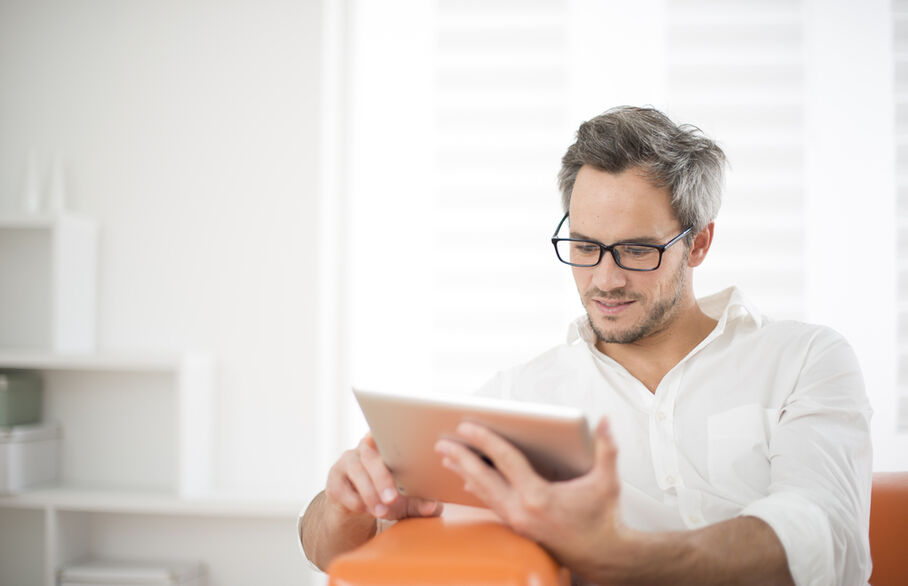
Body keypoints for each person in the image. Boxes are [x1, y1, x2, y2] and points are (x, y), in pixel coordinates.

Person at [299, 106, 873, 586]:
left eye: (636, 250)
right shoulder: (523, 398)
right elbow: (335, 550)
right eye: (583, 246)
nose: (605, 279)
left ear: (698, 243)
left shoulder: (804, 359)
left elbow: (825, 533)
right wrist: (347, 506)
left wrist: (613, 553)